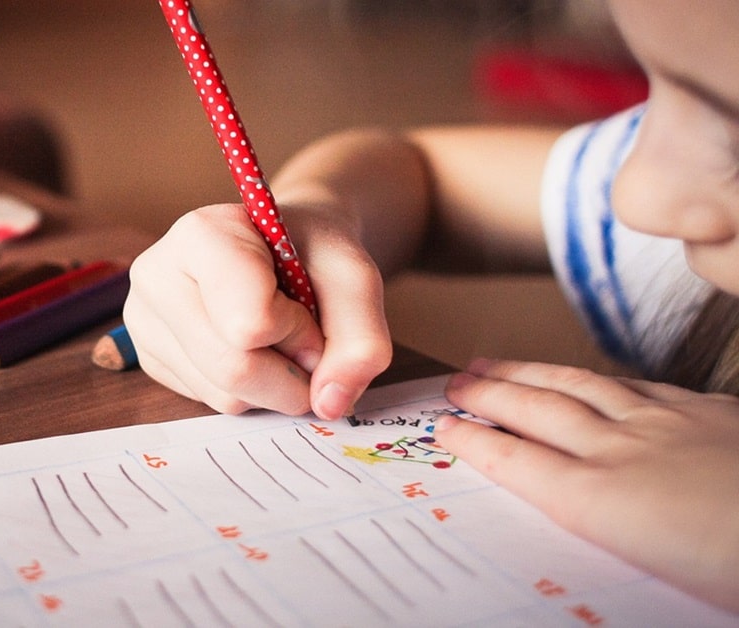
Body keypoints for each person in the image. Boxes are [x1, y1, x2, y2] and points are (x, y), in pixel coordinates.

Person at [123, 0, 739, 612]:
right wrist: (318, 215)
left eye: (735, 135)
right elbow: (420, 173)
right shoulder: (678, 185)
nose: (633, 196)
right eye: (654, 94)